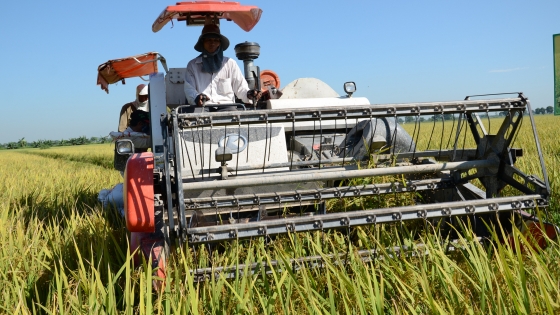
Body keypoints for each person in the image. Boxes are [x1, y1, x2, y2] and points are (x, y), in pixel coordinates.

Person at [183, 24, 261, 111]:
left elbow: (241, 88)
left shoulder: (230, 63)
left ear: (219, 43)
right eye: (208, 39)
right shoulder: (193, 65)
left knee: (234, 117)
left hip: (227, 107)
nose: (212, 43)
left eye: (215, 40)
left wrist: (249, 94)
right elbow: (189, 89)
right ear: (202, 42)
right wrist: (197, 98)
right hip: (203, 107)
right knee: (197, 116)